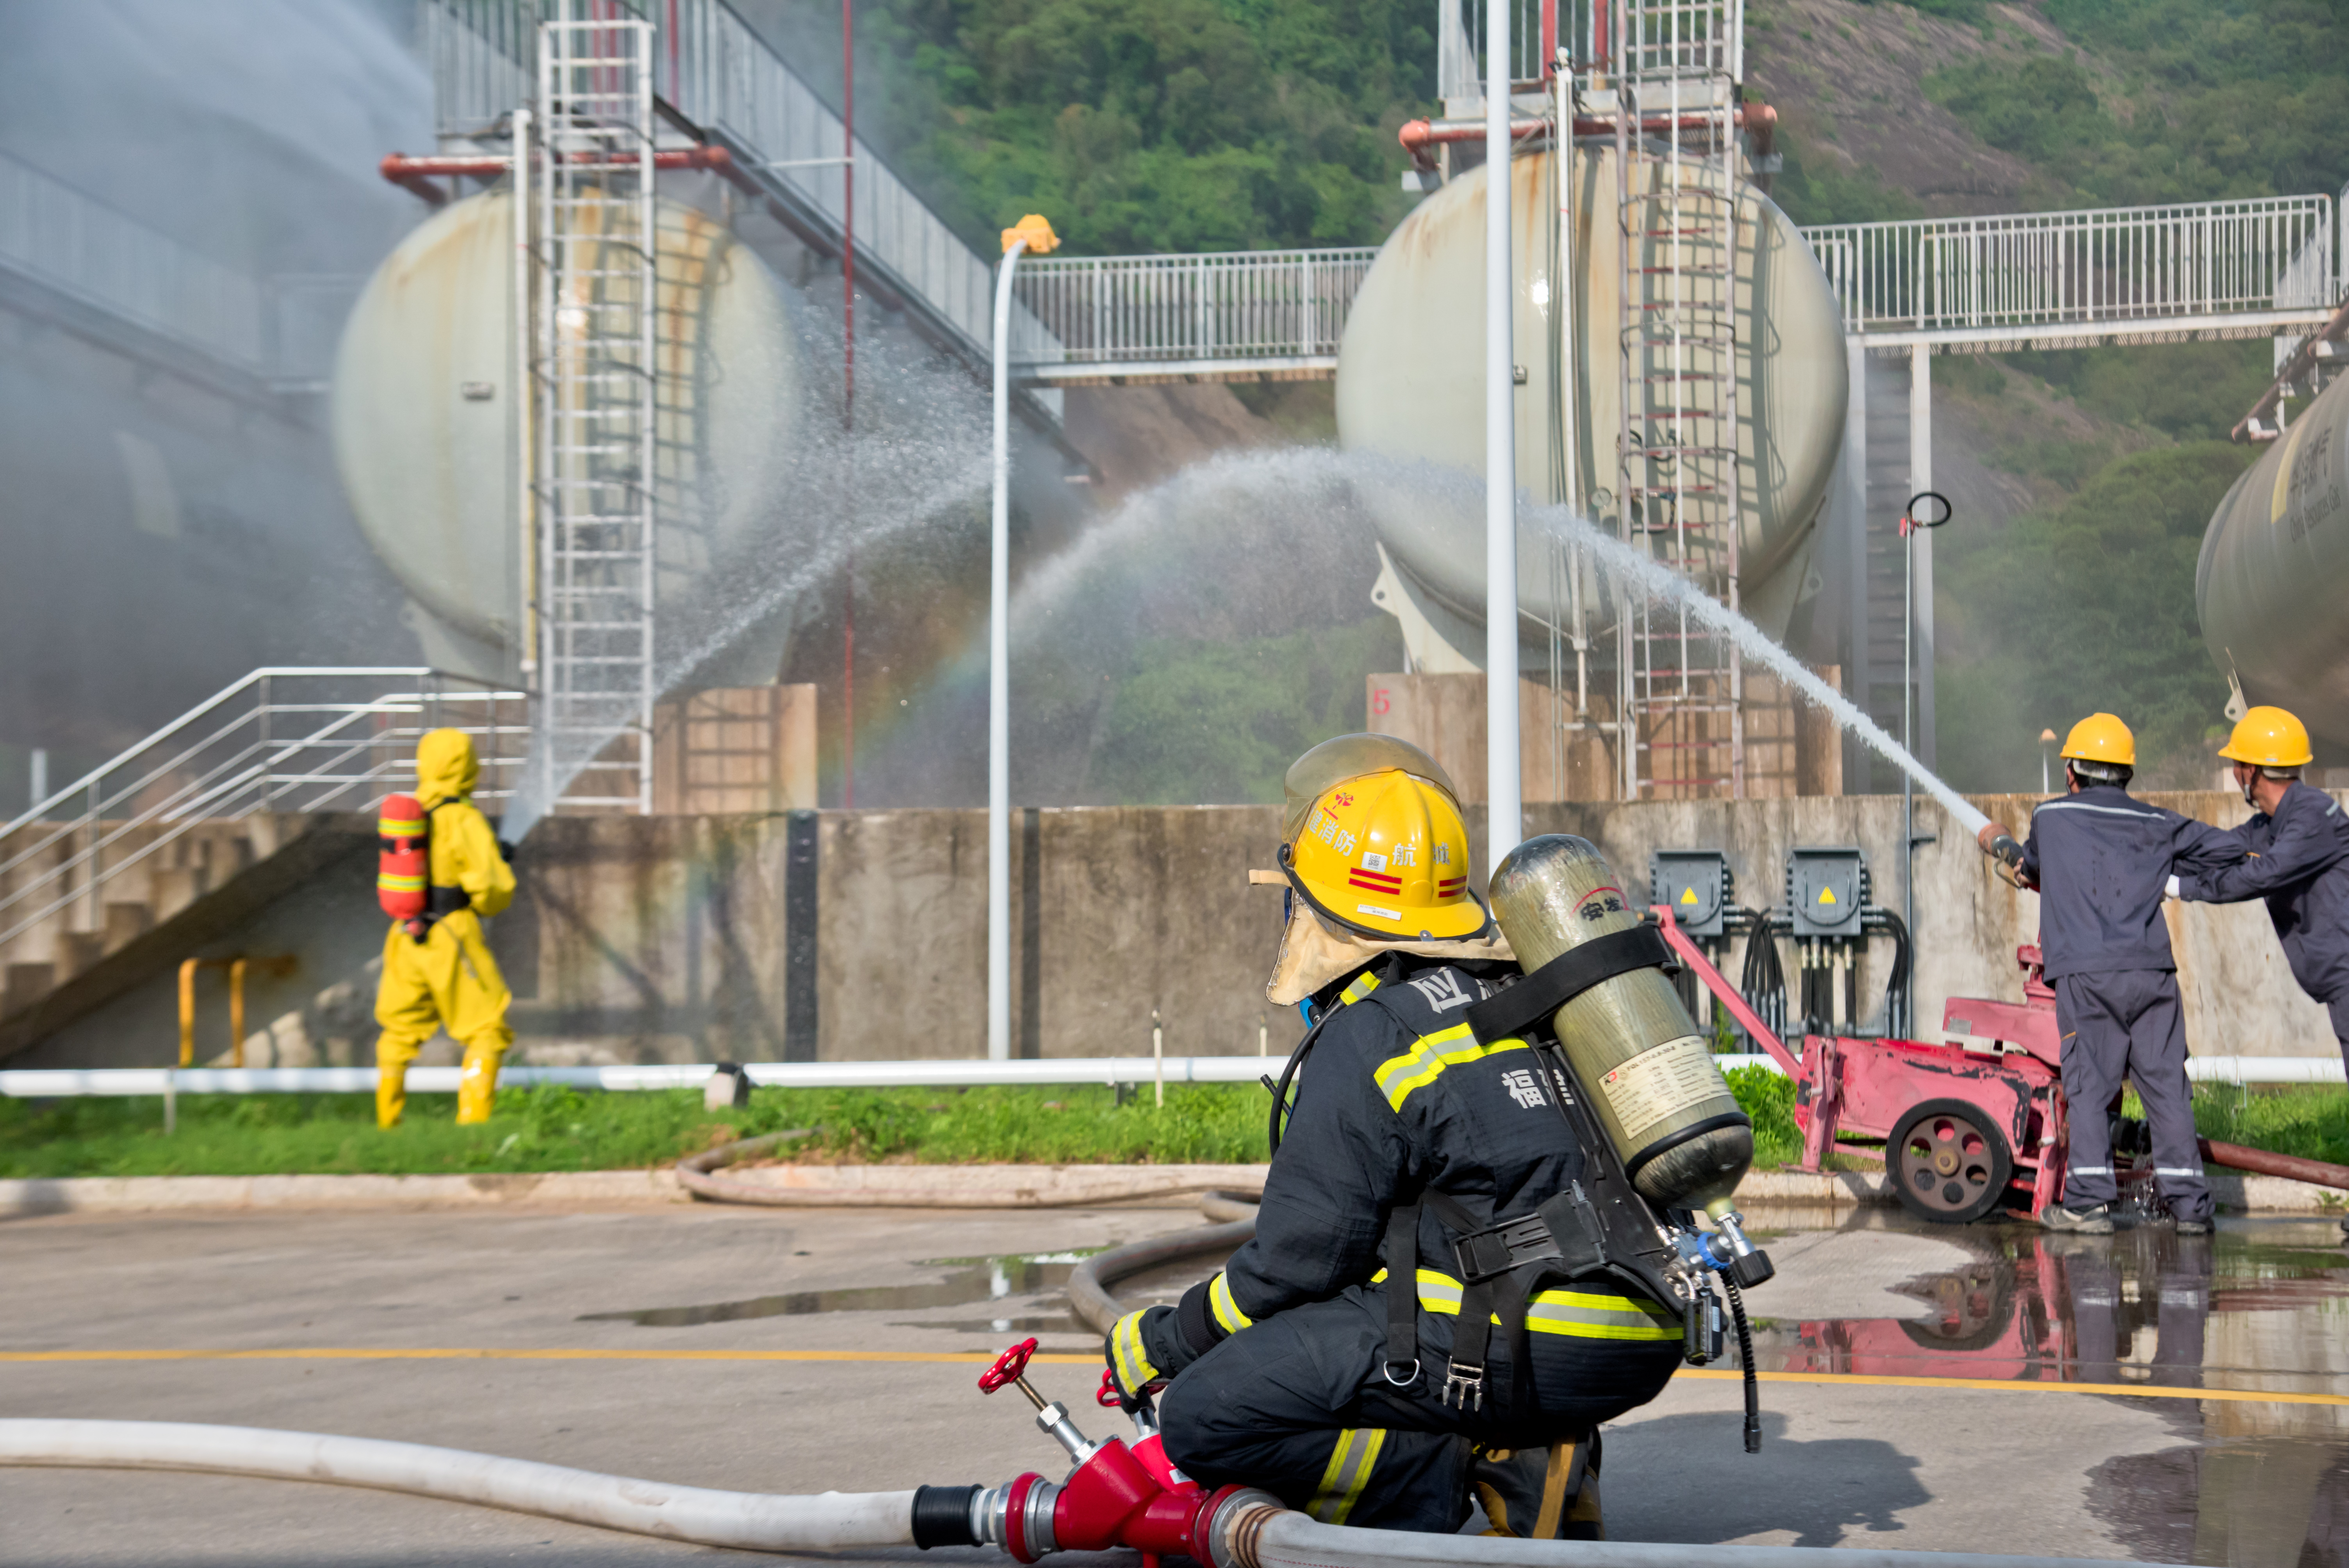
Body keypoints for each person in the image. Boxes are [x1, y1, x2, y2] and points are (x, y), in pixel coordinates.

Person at [1102, 734, 1683, 1537]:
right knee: (1351, 1326)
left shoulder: (1373, 1034)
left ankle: (1462, 1474)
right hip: (1640, 1320)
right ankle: (1545, 1445)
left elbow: (1291, 1266)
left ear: (1312, 907)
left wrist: (1162, 1340)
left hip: (1532, 1338)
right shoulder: (1516, 990)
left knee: (1210, 1412)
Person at [1975, 713, 2242, 1235]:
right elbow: (2229, 850)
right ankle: (2190, 1208)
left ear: (2072, 771)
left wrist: (2005, 849)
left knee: (2090, 1087)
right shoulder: (2158, 823)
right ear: (2126, 775)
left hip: (2088, 977)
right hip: (2152, 975)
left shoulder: (2052, 819)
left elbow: (2030, 867)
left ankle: (2088, 1204)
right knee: (2167, 1089)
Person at [2174, 706, 2349, 1073]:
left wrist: (2180, 888)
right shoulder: (2270, 825)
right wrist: (2148, 863)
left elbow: (2262, 874)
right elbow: (2216, 850)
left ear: (2249, 771)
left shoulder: (2314, 815)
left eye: (2237, 764)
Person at [373, 728, 516, 1129]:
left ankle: (388, 1122)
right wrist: (499, 868)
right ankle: (473, 1125)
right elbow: (491, 888)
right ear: (467, 766)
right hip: (452, 933)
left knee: (399, 1030)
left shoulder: (411, 814)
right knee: (487, 1026)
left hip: (405, 934)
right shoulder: (462, 818)